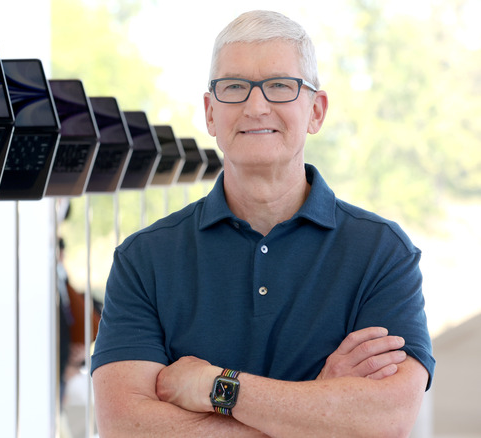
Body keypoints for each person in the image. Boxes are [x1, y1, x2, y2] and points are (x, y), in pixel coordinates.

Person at [90, 10, 435, 438]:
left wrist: (215, 386)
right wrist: (317, 410)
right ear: (210, 112)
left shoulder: (382, 253)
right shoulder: (143, 260)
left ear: (316, 110)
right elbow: (126, 426)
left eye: (279, 86)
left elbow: (387, 418)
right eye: (234, 87)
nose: (256, 106)